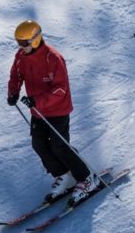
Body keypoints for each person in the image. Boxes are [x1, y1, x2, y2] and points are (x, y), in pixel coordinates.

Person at [6, 20, 97, 205]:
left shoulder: (53, 58)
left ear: (36, 39)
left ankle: (87, 178)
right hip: (37, 112)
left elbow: (60, 89)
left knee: (60, 146)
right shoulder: (21, 56)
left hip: (57, 109)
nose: (21, 47)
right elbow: (16, 75)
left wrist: (37, 101)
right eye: (18, 43)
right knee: (38, 145)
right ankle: (64, 176)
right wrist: (13, 92)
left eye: (24, 43)